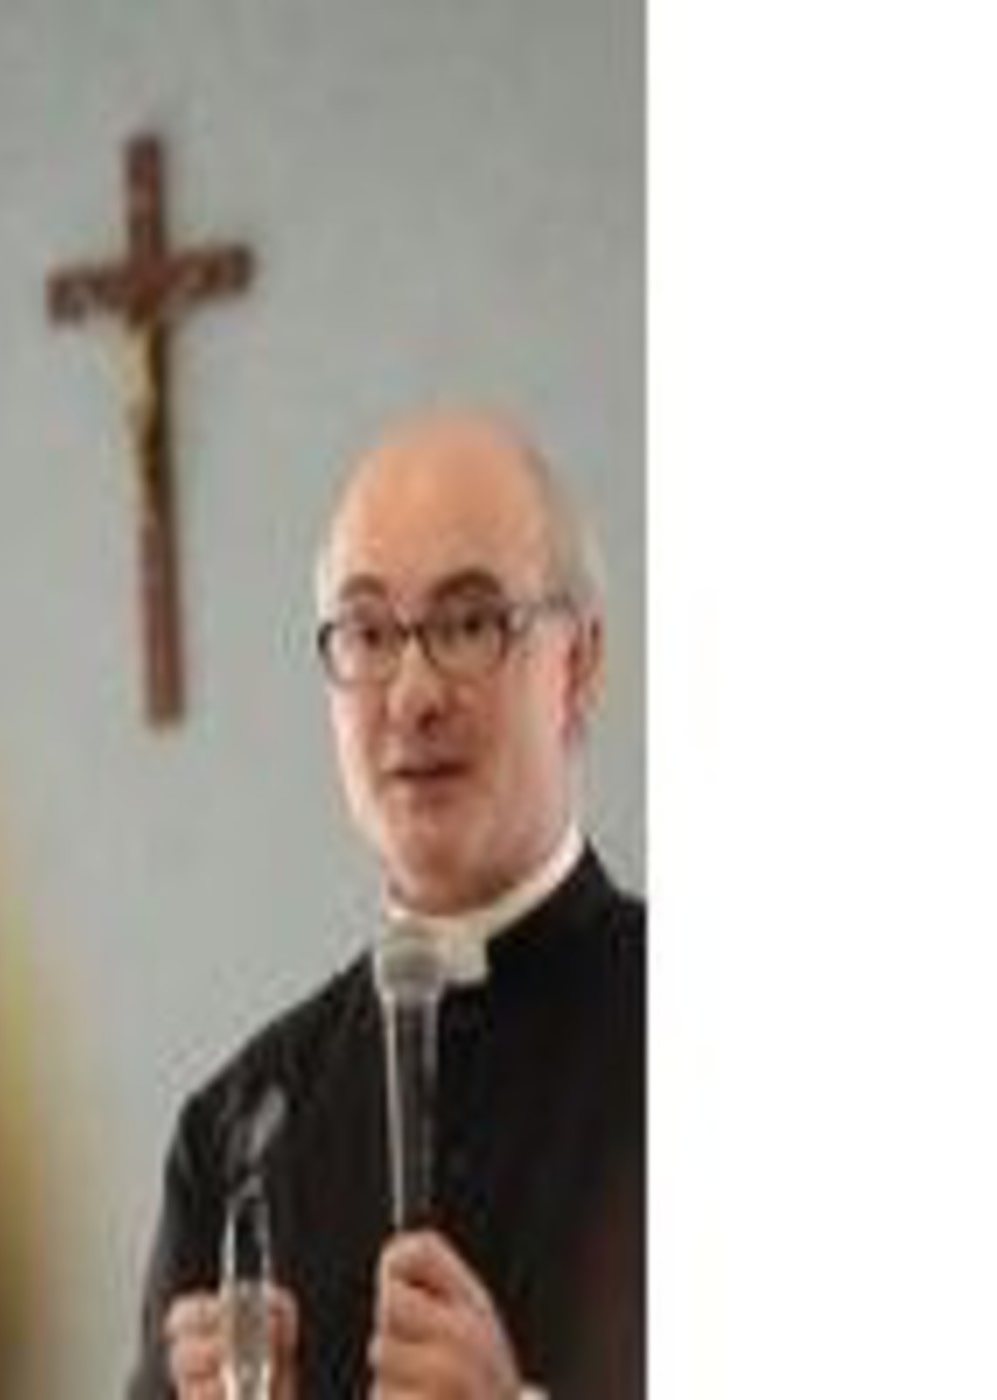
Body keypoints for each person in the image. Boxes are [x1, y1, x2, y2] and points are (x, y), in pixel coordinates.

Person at [127, 410, 644, 1398]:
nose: (411, 695)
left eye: (466, 624)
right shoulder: (235, 1132)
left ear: (576, 665)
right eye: (367, 632)